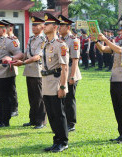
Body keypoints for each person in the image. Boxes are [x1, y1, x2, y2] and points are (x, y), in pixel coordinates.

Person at [92, 21, 122, 144]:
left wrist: (106, 39)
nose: (121, 32)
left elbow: (119, 50)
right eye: (121, 31)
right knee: (117, 108)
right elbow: (103, 49)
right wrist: (96, 41)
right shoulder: (119, 43)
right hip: (114, 79)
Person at [41, 13, 69, 152]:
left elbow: (65, 67)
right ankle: (56, 140)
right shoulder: (45, 43)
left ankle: (63, 141)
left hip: (56, 81)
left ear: (55, 27)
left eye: (47, 24)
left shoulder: (60, 45)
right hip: (46, 82)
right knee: (51, 114)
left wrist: (63, 86)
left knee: (59, 113)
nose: (44, 26)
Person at [13, 16, 47, 129]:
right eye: (32, 25)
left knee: (39, 96)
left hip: (37, 70)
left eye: (36, 25)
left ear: (42, 27)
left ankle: (41, 121)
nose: (33, 27)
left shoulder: (43, 40)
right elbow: (26, 53)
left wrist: (22, 63)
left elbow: (37, 56)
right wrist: (18, 60)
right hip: (29, 70)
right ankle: (33, 119)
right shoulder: (31, 38)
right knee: (31, 96)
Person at [58, 15, 82, 132]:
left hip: (71, 72)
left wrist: (72, 76)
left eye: (61, 26)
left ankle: (71, 123)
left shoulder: (73, 40)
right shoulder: (59, 39)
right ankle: (63, 121)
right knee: (61, 99)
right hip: (62, 72)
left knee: (69, 99)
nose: (59, 28)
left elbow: (75, 59)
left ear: (68, 27)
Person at [2, 19, 20, 117]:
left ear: (10, 28)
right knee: (5, 90)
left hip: (11, 67)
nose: (5, 28)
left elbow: (16, 53)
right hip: (3, 68)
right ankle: (7, 109)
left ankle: (14, 109)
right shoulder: (3, 39)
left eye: (7, 27)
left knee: (12, 89)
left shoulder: (14, 40)